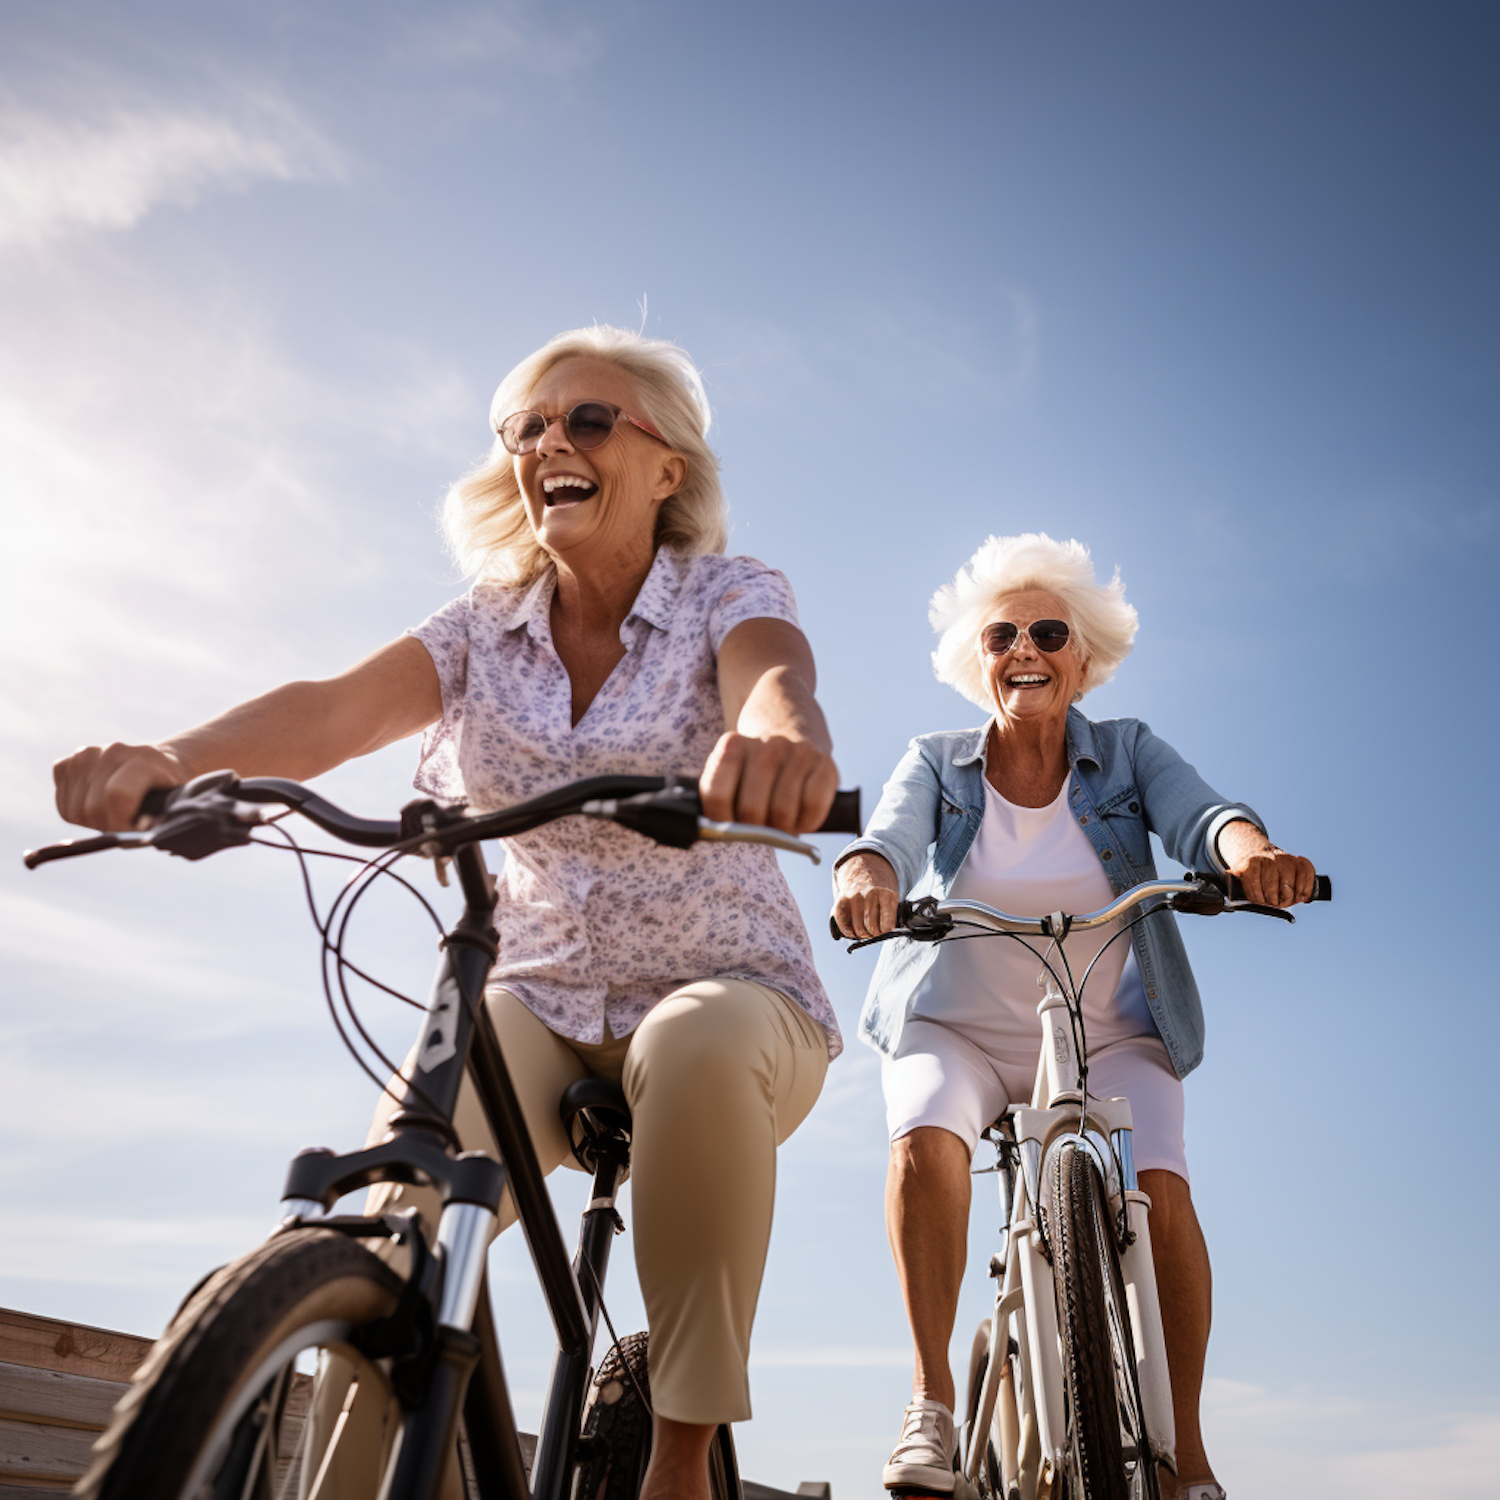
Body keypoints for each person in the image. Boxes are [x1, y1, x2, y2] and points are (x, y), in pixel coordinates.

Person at [54, 325, 843, 1500]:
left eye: (587, 420)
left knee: (693, 1046)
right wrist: (172, 758)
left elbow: (772, 675)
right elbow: (331, 712)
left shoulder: (727, 592)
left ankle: (681, 1451)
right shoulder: (482, 626)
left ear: (667, 466)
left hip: (729, 992)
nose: (548, 444)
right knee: (399, 1186)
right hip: (536, 993)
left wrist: (780, 741)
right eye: (525, 427)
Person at [830, 533, 1315, 1500]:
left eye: (1049, 633)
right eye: (1002, 634)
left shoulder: (1128, 750)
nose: (1025, 650)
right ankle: (929, 1404)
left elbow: (1203, 816)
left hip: (1114, 1036)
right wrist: (867, 873)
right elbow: (886, 835)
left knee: (1163, 1193)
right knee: (922, 1145)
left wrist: (1251, 852)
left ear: (1082, 658)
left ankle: (1188, 1456)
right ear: (980, 659)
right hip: (957, 1030)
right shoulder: (937, 760)